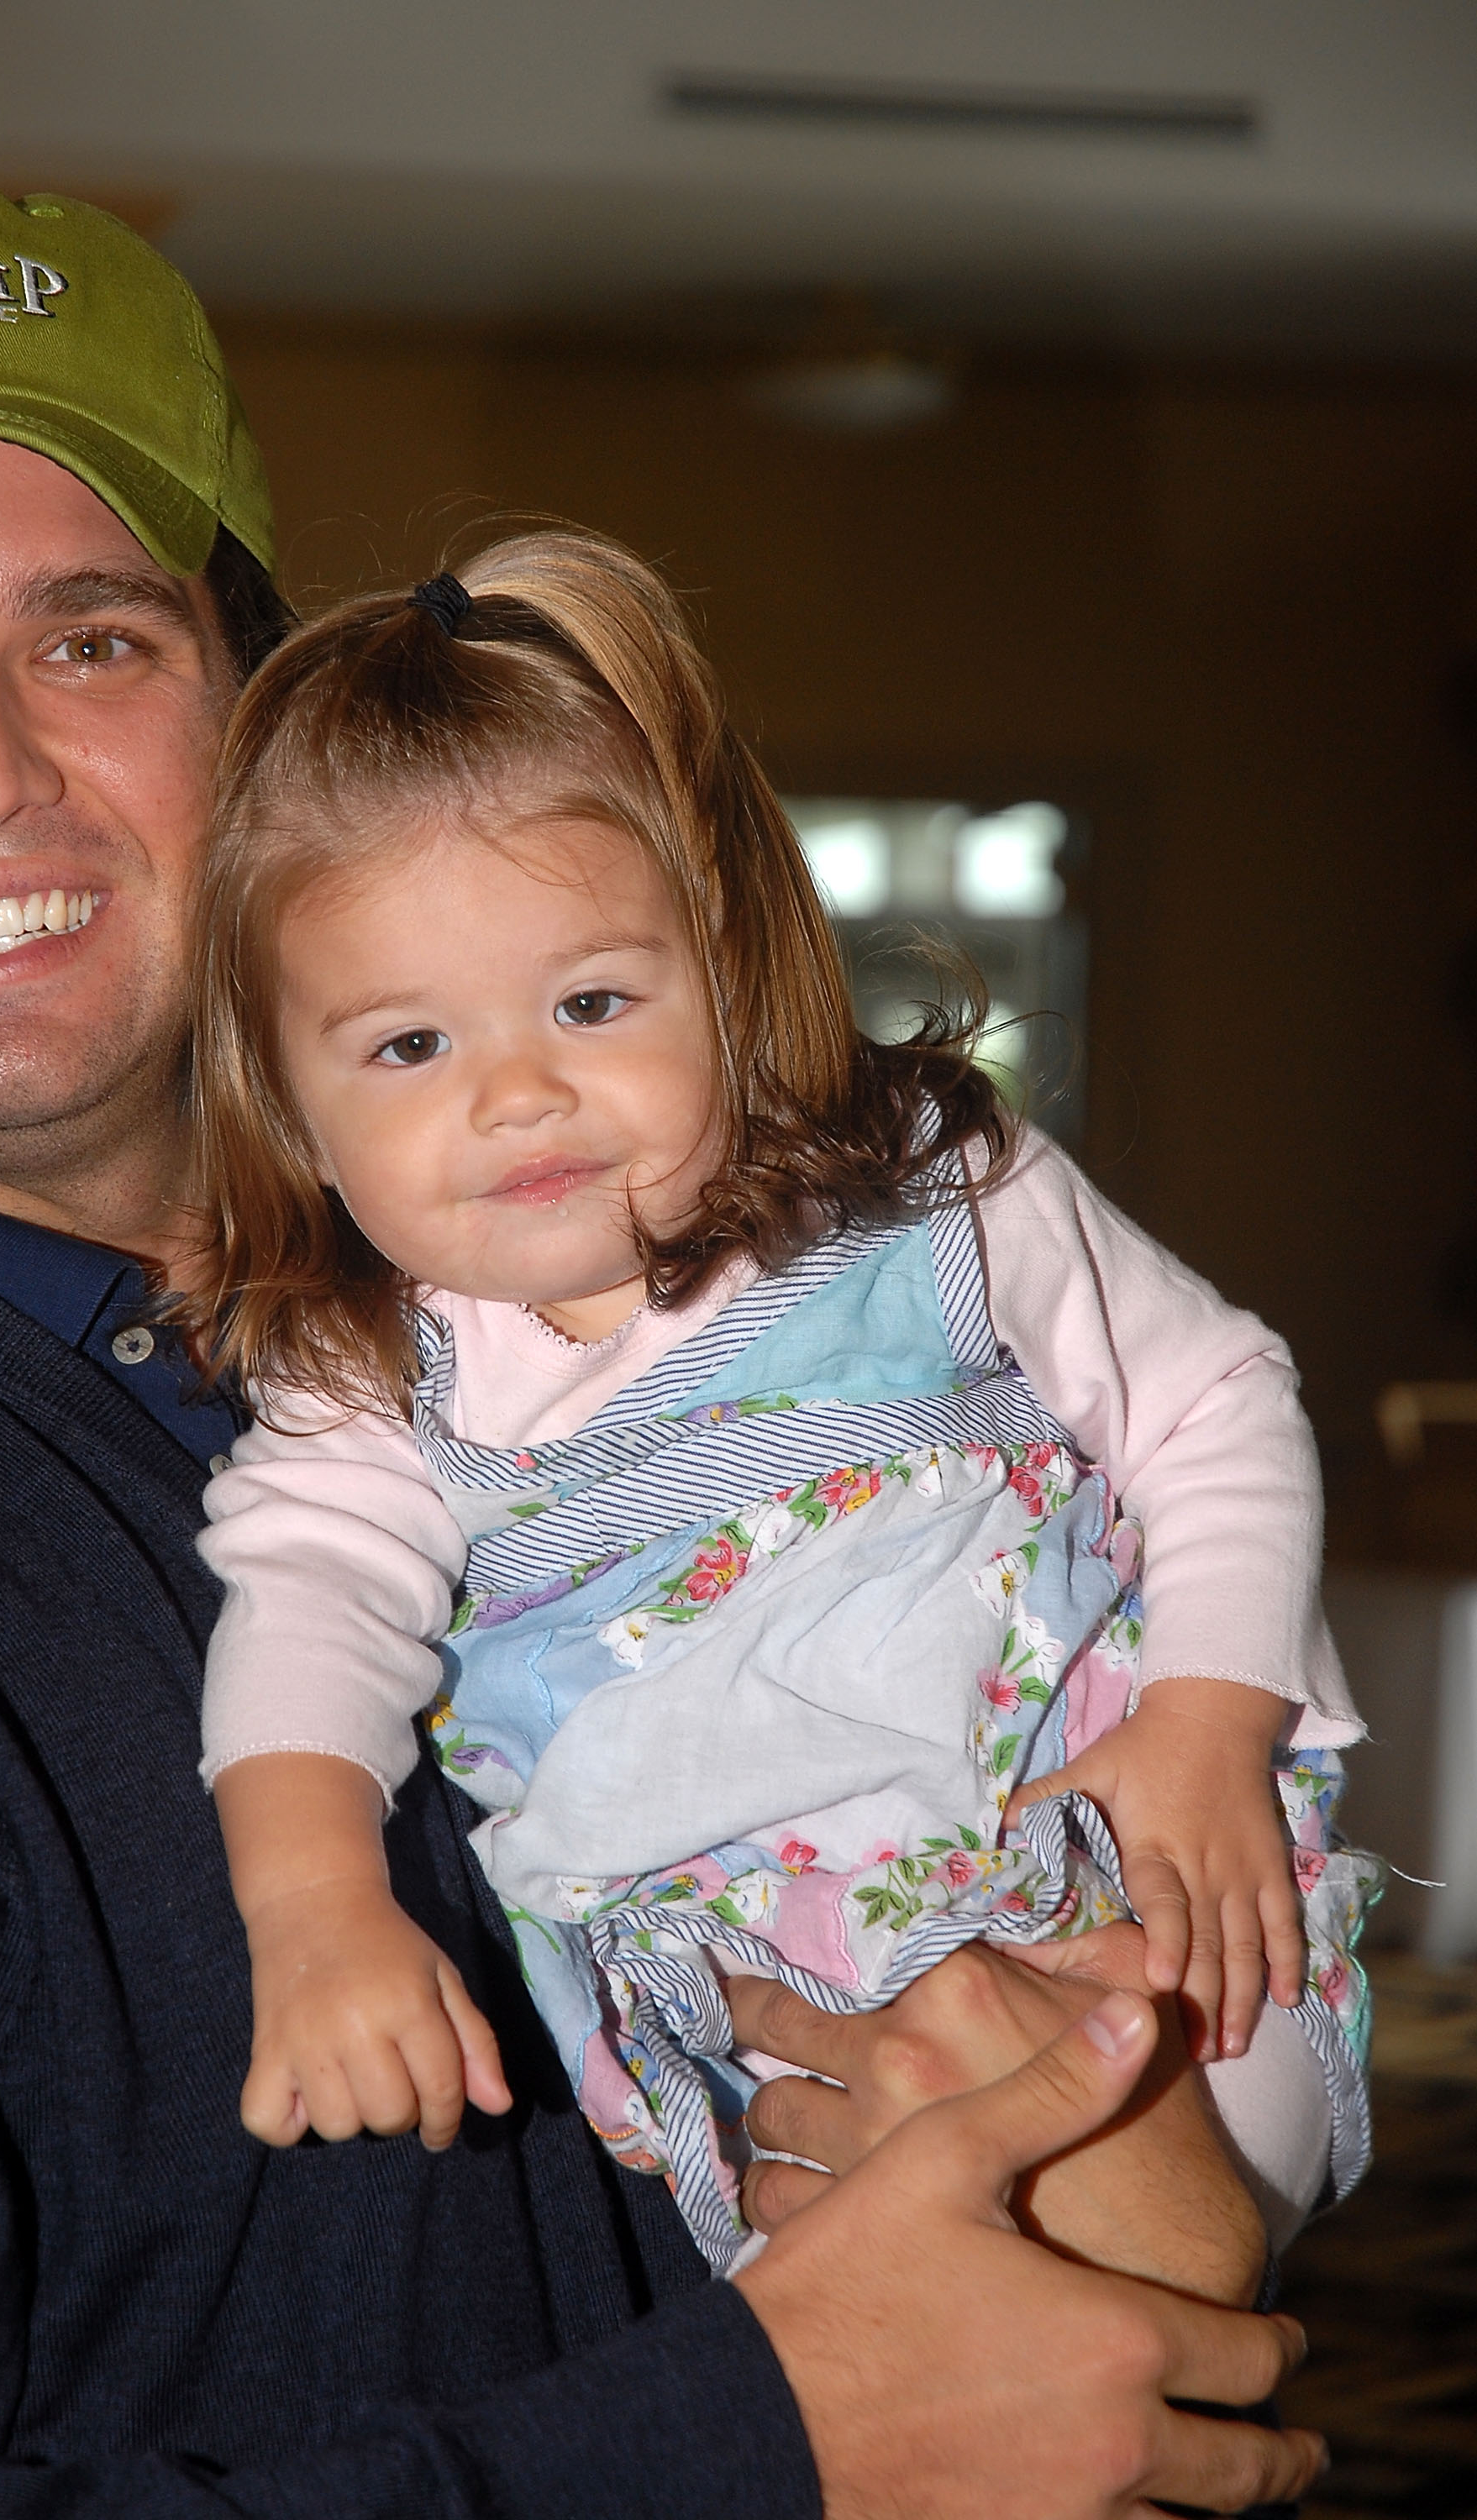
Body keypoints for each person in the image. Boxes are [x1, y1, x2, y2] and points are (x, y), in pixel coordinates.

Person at [0, 182, 1325, 2516]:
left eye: (93, 641)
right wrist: (747, 2445)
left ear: (268, 761)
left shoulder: (558, 1327)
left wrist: (1117, 2151)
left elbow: (1136, 2249)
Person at [185, 531, 1374, 2271]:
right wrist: (314, 1916)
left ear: (726, 967)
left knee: (1172, 2281)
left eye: (591, 1001)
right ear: (286, 1098)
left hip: (1127, 1886)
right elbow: (304, 1626)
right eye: (409, 1047)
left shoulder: (931, 1195)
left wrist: (1208, 1721)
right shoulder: (365, 1382)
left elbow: (1216, 1402)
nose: (521, 1095)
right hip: (761, 2023)